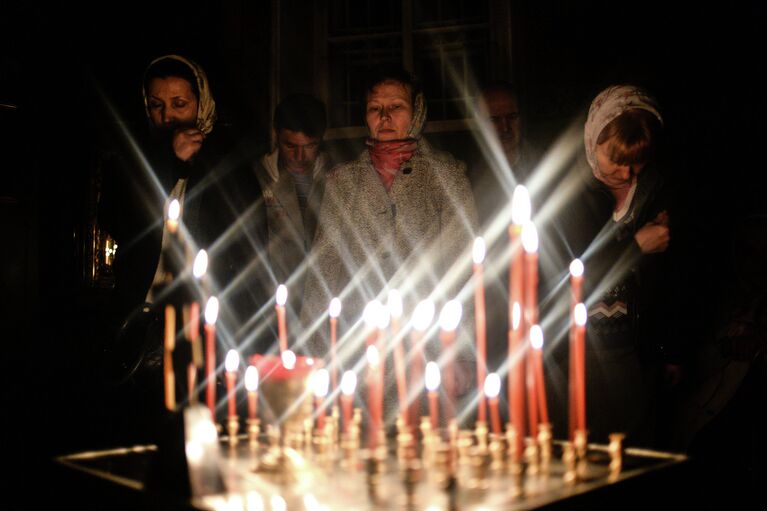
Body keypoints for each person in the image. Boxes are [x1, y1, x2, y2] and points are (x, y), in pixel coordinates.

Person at [300, 68, 478, 419]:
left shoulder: (446, 175)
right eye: (374, 108)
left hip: (425, 345)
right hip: (359, 345)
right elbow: (324, 267)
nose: (383, 117)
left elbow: (464, 266)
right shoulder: (343, 181)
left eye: (396, 107)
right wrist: (313, 355)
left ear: (417, 112)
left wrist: (461, 353)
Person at [551, 85, 677, 447]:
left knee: (635, 454)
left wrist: (671, 349)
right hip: (576, 353)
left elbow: (670, 279)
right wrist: (638, 245)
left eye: (635, 160)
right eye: (615, 159)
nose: (625, 173)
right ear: (593, 140)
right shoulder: (569, 192)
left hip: (634, 352)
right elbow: (573, 273)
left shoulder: (656, 188)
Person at [255, 94, 329, 324]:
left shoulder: (338, 177)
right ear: (276, 135)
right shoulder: (256, 178)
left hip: (325, 307)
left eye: (310, 146)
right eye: (290, 146)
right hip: (272, 308)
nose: (300, 156)